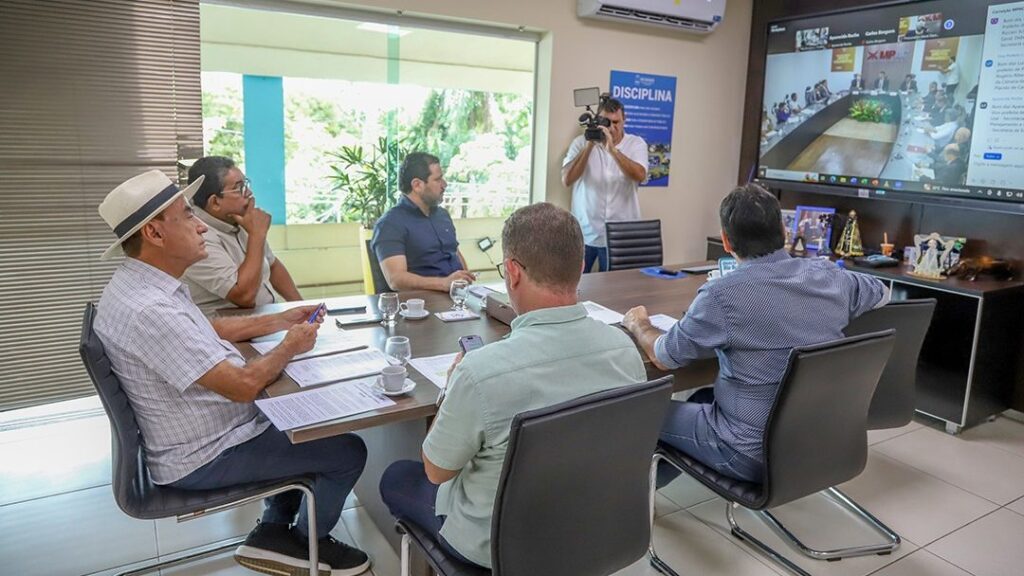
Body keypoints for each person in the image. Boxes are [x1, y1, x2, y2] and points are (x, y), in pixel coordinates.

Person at [94, 170, 371, 576]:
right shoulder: (149, 310)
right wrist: (290, 345)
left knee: (308, 420)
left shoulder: (143, 285)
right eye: (187, 216)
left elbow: (209, 327)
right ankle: (304, 544)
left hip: (203, 432)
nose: (201, 225)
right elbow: (242, 387)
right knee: (347, 451)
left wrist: (280, 322)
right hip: (204, 453)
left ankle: (273, 532)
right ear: (154, 233)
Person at [379, 202, 647, 568]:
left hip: (496, 547)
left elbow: (437, 471)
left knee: (396, 476)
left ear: (512, 272)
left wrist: (451, 389)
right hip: (593, 529)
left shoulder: (481, 372)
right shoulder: (624, 349)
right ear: (581, 268)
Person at [622, 183, 889, 483]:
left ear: (725, 241)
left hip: (749, 453)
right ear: (784, 232)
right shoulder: (829, 275)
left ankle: (626, 507)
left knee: (638, 412)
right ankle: (648, 494)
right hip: (820, 439)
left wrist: (638, 323)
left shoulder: (721, 296)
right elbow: (881, 293)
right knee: (701, 398)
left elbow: (664, 357)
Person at [181, 156, 303, 316]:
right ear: (215, 202)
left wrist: (302, 307)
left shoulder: (240, 219)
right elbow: (244, 296)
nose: (249, 193)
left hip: (267, 321)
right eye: (239, 188)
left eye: (246, 184)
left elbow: (272, 265)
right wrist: (257, 235)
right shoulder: (196, 235)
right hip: (227, 334)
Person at [562, 97, 649, 273]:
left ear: (625, 119)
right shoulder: (580, 143)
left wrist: (613, 150)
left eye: (616, 122)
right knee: (578, 285)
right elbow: (567, 179)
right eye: (606, 122)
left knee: (615, 289)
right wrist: (589, 146)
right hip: (585, 232)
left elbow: (640, 175)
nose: (611, 127)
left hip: (620, 235)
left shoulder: (636, 144)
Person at [371, 152, 474, 292]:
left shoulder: (442, 216)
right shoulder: (390, 224)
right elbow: (395, 279)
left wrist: (466, 281)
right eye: (438, 180)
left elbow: (454, 252)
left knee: (501, 309)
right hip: (424, 303)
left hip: (458, 297)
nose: (445, 184)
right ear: (417, 185)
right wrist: (444, 283)